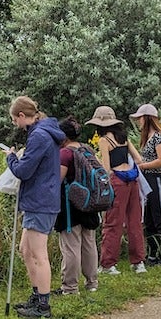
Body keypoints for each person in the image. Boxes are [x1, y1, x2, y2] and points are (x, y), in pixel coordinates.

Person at [5, 96, 66, 319]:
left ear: (22, 116)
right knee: (25, 249)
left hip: (40, 200)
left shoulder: (39, 136)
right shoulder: (45, 131)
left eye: (14, 119)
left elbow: (23, 171)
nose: (14, 124)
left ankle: (43, 306)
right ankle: (36, 294)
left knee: (39, 254)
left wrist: (11, 158)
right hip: (40, 198)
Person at [85, 106, 146, 275]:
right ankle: (138, 262)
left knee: (112, 223)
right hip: (132, 180)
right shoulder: (123, 138)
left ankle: (108, 264)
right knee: (134, 221)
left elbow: (106, 168)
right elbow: (139, 159)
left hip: (117, 181)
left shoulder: (104, 140)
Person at [53, 117, 100, 295]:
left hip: (70, 205)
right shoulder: (87, 149)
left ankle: (70, 287)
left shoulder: (65, 153)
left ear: (63, 136)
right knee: (89, 243)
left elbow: (57, 179)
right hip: (90, 202)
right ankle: (92, 283)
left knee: (71, 246)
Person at [130, 103, 161, 266]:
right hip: (147, 180)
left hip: (157, 180)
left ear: (147, 118)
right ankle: (152, 253)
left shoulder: (158, 137)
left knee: (160, 218)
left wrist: (142, 166)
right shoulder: (147, 138)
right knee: (149, 220)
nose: (138, 121)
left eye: (140, 118)